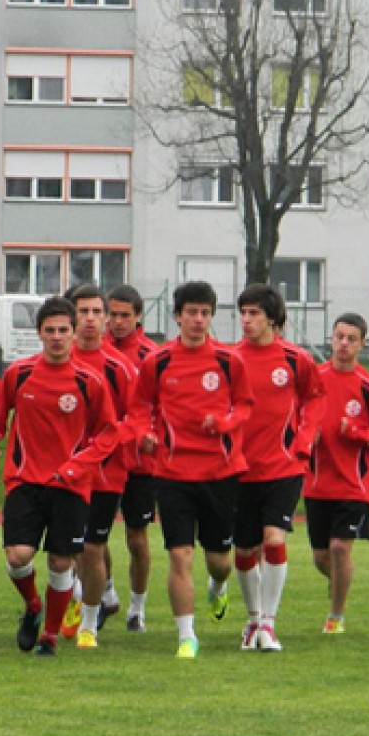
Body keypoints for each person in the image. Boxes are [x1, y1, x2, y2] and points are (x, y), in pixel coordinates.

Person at [128, 280, 253, 658]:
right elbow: (140, 407)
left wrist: (225, 423)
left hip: (220, 472)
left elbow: (245, 406)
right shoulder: (158, 361)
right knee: (179, 554)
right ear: (177, 316)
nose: (198, 319)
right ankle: (187, 636)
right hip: (172, 474)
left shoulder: (230, 361)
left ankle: (218, 586)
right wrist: (144, 434)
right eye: (192, 312)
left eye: (205, 313)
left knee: (219, 561)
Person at [0, 296, 117, 655]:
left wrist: (78, 466)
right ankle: (33, 606)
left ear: (73, 333)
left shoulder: (89, 381)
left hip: (70, 485)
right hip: (24, 480)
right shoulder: (19, 374)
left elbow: (108, 433)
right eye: (50, 330)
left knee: (61, 562)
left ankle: (49, 636)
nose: (56, 337)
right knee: (18, 556)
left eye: (63, 330)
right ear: (39, 334)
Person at [232, 284, 324, 651]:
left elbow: (315, 400)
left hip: (283, 466)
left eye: (254, 313)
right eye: (243, 312)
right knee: (244, 550)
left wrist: (303, 442)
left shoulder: (295, 359)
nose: (246, 320)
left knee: (274, 539)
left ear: (272, 318)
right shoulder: (230, 358)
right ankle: (253, 619)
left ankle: (269, 624)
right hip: (239, 469)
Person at [67, 283, 136, 648]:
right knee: (68, 548)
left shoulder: (119, 367)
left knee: (91, 547)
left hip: (106, 472)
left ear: (106, 318)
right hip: (64, 472)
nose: (90, 319)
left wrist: (105, 444)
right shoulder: (59, 360)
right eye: (83, 312)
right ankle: (88, 596)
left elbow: (135, 417)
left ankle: (89, 624)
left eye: (97, 312)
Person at [305, 313, 369, 634]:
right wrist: (308, 436)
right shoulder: (315, 379)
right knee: (322, 557)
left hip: (354, 483)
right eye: (339, 337)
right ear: (331, 339)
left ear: (362, 344)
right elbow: (300, 417)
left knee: (339, 548)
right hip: (317, 482)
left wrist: (356, 432)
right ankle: (339, 582)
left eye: (351, 339)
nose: (344, 344)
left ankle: (335, 616)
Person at [107, 283, 159, 631]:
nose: (118, 321)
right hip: (104, 460)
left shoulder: (151, 356)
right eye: (113, 314)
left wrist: (149, 435)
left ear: (138, 316)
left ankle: (137, 608)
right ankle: (106, 592)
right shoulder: (94, 349)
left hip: (140, 463)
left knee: (136, 538)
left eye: (125, 315)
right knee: (91, 537)